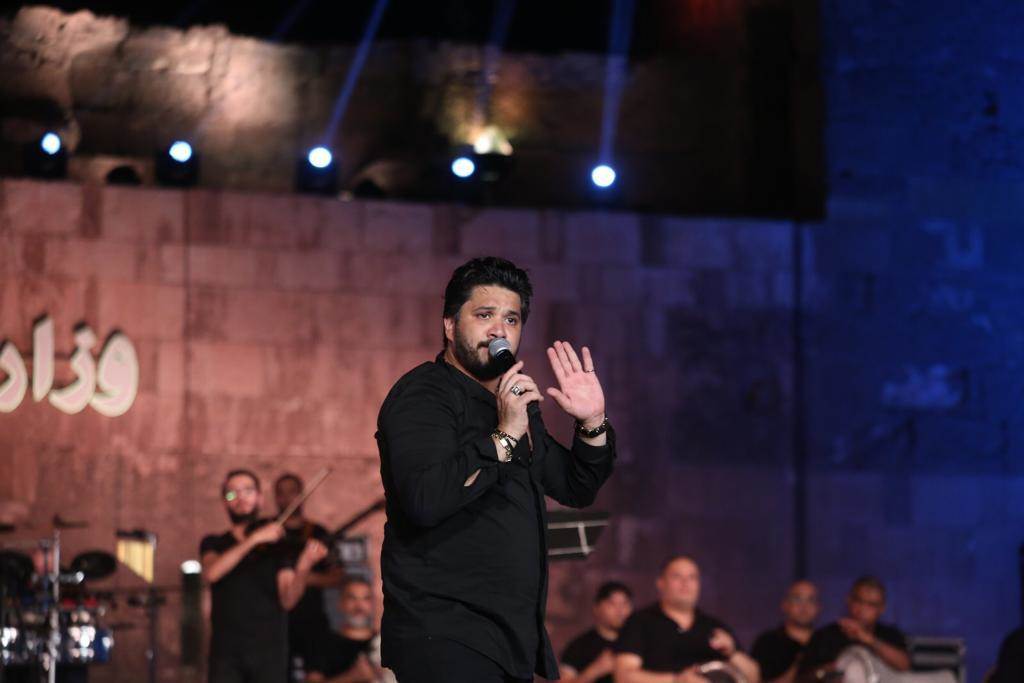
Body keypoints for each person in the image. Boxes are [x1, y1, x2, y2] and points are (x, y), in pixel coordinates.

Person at [376, 256, 616, 683]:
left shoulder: (514, 402)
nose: (499, 330)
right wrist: (504, 436)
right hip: (445, 632)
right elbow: (425, 499)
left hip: (508, 640)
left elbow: (576, 486)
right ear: (450, 325)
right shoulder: (424, 394)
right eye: (484, 315)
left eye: (511, 319)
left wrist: (592, 422)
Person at [200, 468, 328, 683]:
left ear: (259, 498)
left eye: (248, 491)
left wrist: (304, 566)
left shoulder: (277, 545)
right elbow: (212, 573)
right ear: (224, 502)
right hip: (226, 653)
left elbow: (288, 600)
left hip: (269, 652)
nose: (240, 498)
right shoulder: (214, 542)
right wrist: (253, 540)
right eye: (232, 493)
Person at [614, 556, 760, 683]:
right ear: (660, 583)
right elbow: (623, 677)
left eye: (692, 577)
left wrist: (732, 652)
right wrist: (677, 680)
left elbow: (754, 678)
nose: (686, 583)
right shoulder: (639, 622)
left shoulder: (713, 627)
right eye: (677, 576)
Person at [274, 473, 343, 675]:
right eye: (281, 493)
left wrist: (305, 577)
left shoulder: (319, 533)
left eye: (292, 492)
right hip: (276, 622)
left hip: (312, 618)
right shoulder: (268, 533)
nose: (287, 498)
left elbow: (338, 576)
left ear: (302, 495)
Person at [798, 576, 910, 682]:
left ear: (882, 608)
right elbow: (801, 678)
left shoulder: (890, 634)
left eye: (871, 604)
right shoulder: (825, 636)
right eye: (859, 601)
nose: (862, 609)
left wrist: (870, 640)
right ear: (849, 600)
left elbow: (904, 665)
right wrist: (827, 671)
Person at [305, 576, 387, 683]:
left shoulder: (385, 643)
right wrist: (350, 677)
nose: (359, 606)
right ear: (340, 603)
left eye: (366, 598)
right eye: (352, 598)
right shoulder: (323, 643)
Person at [559, 581, 634, 683]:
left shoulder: (640, 642)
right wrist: (595, 670)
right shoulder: (579, 646)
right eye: (612, 604)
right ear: (596, 608)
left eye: (625, 604)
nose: (620, 611)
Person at [751, 580, 821, 683]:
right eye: (797, 599)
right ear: (785, 605)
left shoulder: (826, 642)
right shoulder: (768, 642)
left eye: (811, 600)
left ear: (818, 607)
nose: (804, 606)